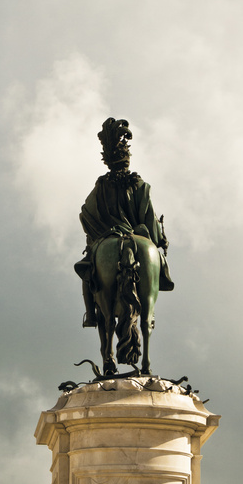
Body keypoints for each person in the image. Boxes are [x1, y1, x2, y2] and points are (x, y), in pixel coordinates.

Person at [75, 118, 173, 327]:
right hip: (138, 233)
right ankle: (154, 298)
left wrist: (97, 234)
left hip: (107, 235)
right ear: (127, 159)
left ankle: (91, 315)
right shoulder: (140, 186)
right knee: (156, 260)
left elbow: (85, 212)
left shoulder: (101, 185)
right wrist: (159, 239)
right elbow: (149, 216)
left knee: (88, 269)